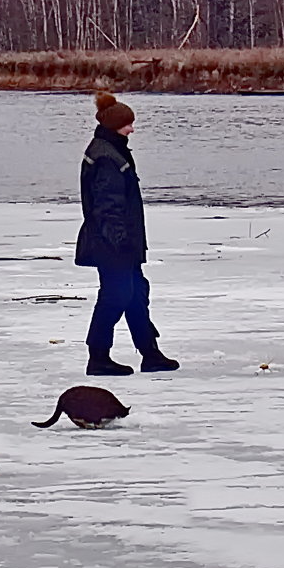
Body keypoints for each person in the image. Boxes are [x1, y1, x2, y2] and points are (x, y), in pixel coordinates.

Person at [75, 92, 180, 376]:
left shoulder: (112, 150)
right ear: (114, 126)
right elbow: (107, 207)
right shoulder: (106, 157)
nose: (132, 129)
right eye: (128, 124)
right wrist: (120, 243)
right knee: (116, 296)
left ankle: (150, 354)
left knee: (135, 295)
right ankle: (98, 357)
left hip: (120, 243)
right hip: (112, 244)